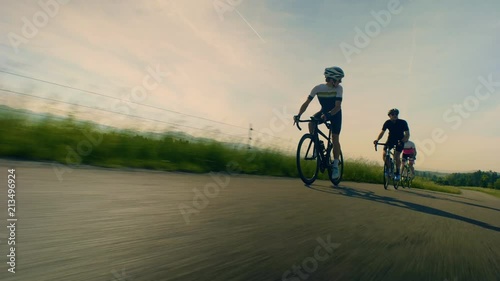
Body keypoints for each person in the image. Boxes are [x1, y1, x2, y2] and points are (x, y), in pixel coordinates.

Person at [293, 66, 344, 180]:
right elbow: (307, 103)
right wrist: (299, 115)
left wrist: (329, 115)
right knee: (312, 123)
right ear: (332, 79)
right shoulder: (318, 88)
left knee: (335, 138)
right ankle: (317, 144)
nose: (340, 82)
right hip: (323, 112)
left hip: (335, 114)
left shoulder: (339, 89)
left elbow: (337, 107)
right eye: (339, 79)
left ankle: (335, 165)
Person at [373, 108, 410, 181]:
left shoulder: (403, 122)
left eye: (396, 114)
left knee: (396, 156)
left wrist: (402, 141)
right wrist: (377, 140)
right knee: (384, 154)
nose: (395, 115)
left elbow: (407, 134)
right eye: (393, 114)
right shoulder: (387, 122)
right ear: (389, 116)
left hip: (400, 140)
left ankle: (398, 172)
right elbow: (382, 132)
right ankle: (389, 168)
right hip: (390, 140)